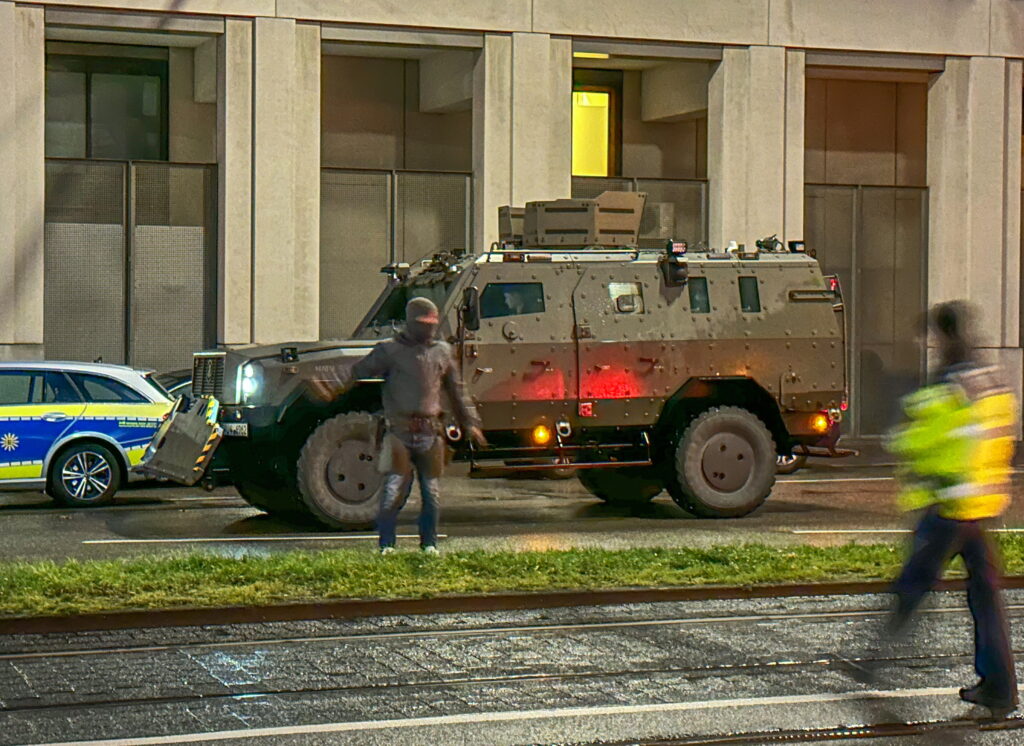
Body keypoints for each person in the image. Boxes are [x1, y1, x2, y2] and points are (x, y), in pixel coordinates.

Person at [873, 302, 1018, 716]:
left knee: (914, 583)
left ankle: (871, 663)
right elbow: (998, 436)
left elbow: (928, 436)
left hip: (952, 502)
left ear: (946, 335)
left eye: (934, 337)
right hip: (983, 501)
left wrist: (900, 442)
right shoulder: (989, 377)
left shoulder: (953, 381)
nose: (931, 345)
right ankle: (999, 687)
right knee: (985, 596)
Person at [346, 297, 483, 555]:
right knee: (392, 491)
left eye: (432, 323)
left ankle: (429, 544)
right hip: (399, 430)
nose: (428, 328)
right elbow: (359, 372)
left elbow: (456, 391)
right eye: (423, 323)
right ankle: (387, 545)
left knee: (431, 493)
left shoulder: (441, 351)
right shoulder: (389, 350)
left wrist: (470, 423)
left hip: (430, 432)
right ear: (411, 323)